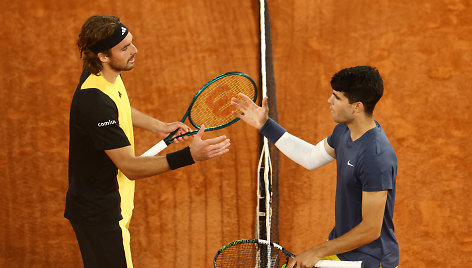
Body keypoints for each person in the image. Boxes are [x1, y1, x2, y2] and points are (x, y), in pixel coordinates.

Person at [65, 15, 231, 268]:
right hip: (101, 214)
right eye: (124, 48)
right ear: (103, 56)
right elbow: (130, 167)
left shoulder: (102, 75)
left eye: (131, 42)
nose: (135, 50)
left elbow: (120, 107)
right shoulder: (95, 103)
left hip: (110, 200)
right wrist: (189, 156)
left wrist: (160, 126)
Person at [231, 66, 398, 268]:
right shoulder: (343, 132)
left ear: (357, 107)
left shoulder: (376, 156)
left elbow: (371, 229)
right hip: (341, 248)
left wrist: (315, 252)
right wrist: (265, 125)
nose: (329, 101)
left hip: (368, 260)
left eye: (337, 97)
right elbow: (310, 158)